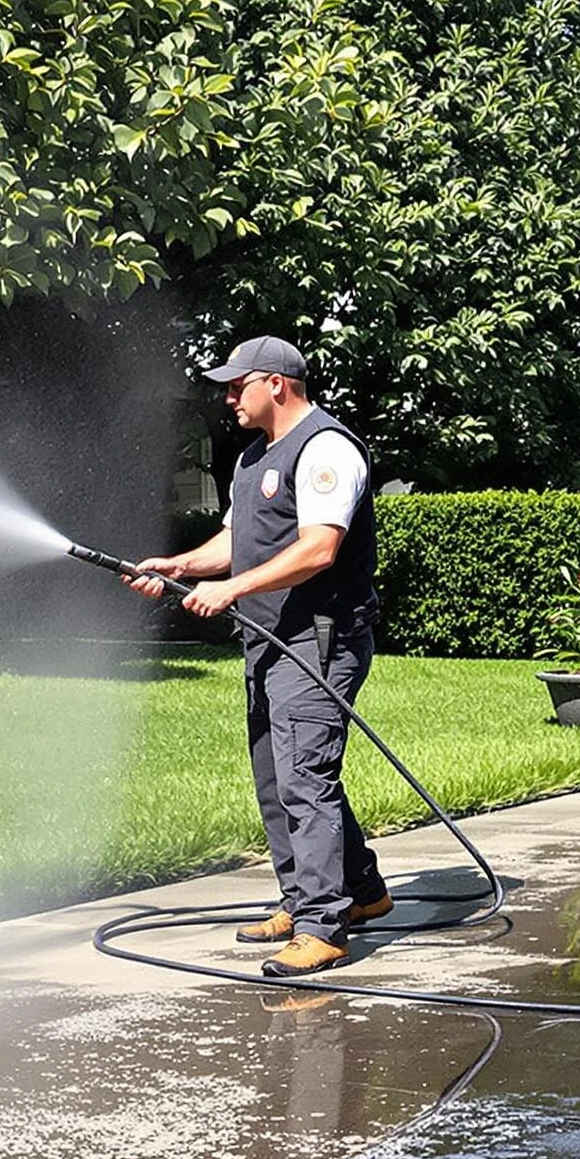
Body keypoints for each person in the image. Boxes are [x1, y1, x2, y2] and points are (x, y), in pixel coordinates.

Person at [128, 335, 389, 977]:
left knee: (304, 776)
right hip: (270, 637)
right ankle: (343, 894)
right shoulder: (253, 456)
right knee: (277, 775)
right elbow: (237, 539)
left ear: (276, 383)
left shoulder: (326, 449)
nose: (228, 397)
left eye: (237, 385)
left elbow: (318, 549)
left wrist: (232, 589)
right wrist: (180, 566)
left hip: (320, 637)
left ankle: (324, 926)